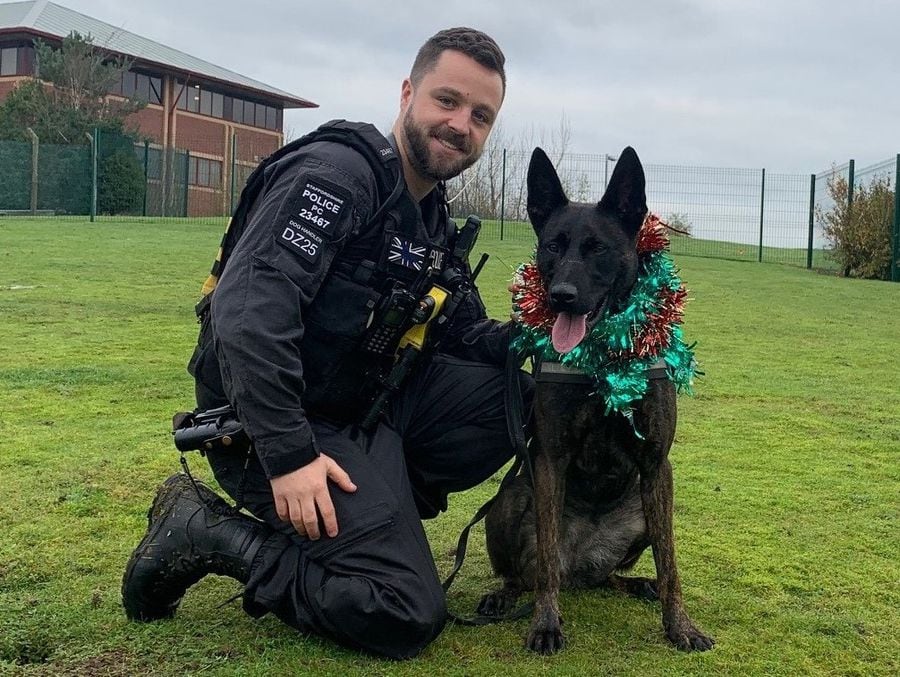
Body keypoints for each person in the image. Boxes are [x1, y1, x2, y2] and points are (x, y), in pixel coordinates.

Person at [122, 27, 527, 659]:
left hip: (363, 413)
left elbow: (466, 335)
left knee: (520, 396)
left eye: (481, 116)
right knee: (405, 611)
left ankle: (373, 515)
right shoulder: (336, 176)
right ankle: (209, 533)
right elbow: (249, 310)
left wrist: (558, 330)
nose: (460, 125)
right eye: (447, 101)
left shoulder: (432, 218)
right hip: (270, 425)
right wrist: (288, 454)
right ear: (406, 93)